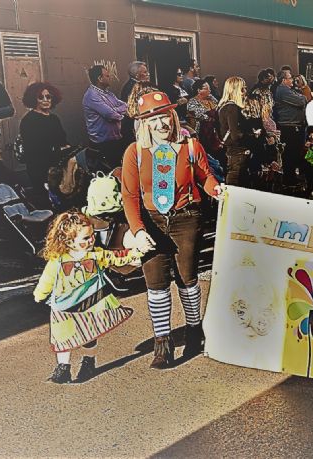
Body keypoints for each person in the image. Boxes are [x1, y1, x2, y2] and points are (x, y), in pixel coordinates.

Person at [120, 91, 222, 369]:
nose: (161, 123)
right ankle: (162, 342)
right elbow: (129, 195)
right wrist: (138, 230)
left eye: (164, 115)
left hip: (186, 217)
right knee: (155, 283)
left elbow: (205, 177)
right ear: (144, 123)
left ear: (173, 116)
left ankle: (194, 330)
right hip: (152, 220)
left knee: (188, 278)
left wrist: (217, 189)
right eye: (153, 118)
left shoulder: (190, 146)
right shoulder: (134, 152)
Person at [33, 210, 142, 384]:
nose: (91, 240)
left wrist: (135, 254)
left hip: (91, 302)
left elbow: (115, 257)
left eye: (92, 235)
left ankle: (88, 361)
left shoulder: (96, 255)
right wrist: (40, 294)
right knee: (63, 337)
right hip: (64, 306)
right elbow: (47, 279)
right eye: (85, 238)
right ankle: (63, 367)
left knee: (89, 334)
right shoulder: (58, 260)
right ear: (69, 241)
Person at [19, 82, 69, 191]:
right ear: (34, 99)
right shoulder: (28, 120)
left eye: (48, 97)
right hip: (39, 168)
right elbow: (34, 149)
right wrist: (57, 149)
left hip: (58, 164)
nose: (45, 100)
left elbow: (63, 140)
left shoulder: (54, 118)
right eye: (41, 97)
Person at [82, 65, 130, 169]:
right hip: (102, 144)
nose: (110, 78)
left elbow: (125, 105)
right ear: (100, 78)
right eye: (107, 76)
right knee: (110, 172)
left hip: (115, 140)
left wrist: (115, 110)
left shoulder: (109, 94)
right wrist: (118, 111)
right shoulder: (92, 96)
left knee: (120, 168)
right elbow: (110, 114)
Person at [217, 77, 255, 186]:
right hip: (238, 152)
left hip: (234, 152)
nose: (245, 92)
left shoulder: (224, 106)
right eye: (242, 89)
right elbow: (235, 134)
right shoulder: (232, 108)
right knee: (236, 184)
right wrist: (252, 135)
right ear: (234, 90)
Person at [274, 69, 308, 190]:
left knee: (294, 154)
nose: (293, 80)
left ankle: (292, 176)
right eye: (290, 78)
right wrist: (303, 95)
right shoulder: (282, 91)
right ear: (284, 80)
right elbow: (301, 101)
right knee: (290, 154)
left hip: (294, 125)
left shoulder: (290, 90)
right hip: (288, 127)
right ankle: (288, 179)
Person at [185, 79, 221, 154]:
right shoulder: (192, 102)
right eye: (206, 89)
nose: (209, 90)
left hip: (216, 129)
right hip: (203, 132)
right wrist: (212, 119)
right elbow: (200, 116)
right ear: (199, 90)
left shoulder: (211, 98)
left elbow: (219, 107)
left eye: (209, 88)